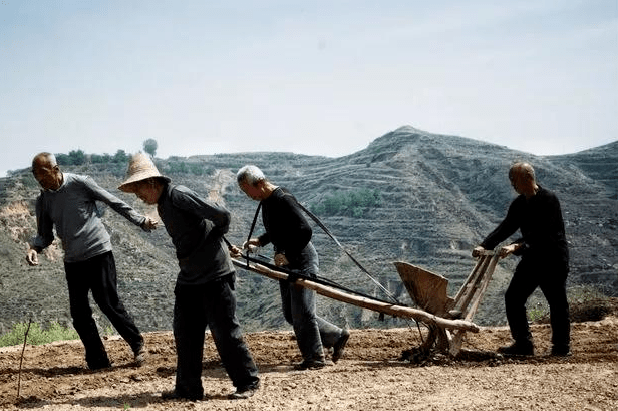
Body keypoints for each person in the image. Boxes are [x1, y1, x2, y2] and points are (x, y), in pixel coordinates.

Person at [119, 153, 260, 401]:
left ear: (152, 182)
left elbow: (222, 215)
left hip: (215, 274)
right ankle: (188, 388)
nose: (138, 196)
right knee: (185, 332)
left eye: (138, 189)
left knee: (224, 331)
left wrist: (217, 237)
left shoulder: (178, 195)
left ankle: (247, 382)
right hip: (190, 277)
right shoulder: (163, 203)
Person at [26, 152, 157, 370]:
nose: (41, 180)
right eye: (36, 176)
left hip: (98, 252)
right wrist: (34, 248)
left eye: (43, 174)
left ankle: (137, 345)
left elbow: (112, 201)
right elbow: (45, 235)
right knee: (79, 314)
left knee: (108, 303)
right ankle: (98, 360)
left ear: (56, 169)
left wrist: (140, 220)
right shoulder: (43, 200)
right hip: (73, 261)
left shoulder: (80, 183)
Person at [236, 165, 350, 370]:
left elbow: (304, 230)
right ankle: (337, 336)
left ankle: (315, 358)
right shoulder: (267, 202)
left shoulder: (282, 199)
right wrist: (260, 241)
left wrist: (286, 253)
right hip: (286, 262)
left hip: (302, 260)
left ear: (259, 183)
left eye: (247, 190)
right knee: (291, 314)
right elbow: (278, 230)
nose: (247, 195)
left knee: (302, 313)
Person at [473, 162, 570, 357]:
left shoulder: (549, 199)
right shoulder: (519, 204)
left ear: (527, 177)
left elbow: (544, 233)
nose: (512, 184)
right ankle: (524, 344)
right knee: (513, 298)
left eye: (513, 180)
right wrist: (485, 245)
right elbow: (506, 226)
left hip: (553, 258)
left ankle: (561, 348)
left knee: (557, 302)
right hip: (533, 258)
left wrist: (517, 246)